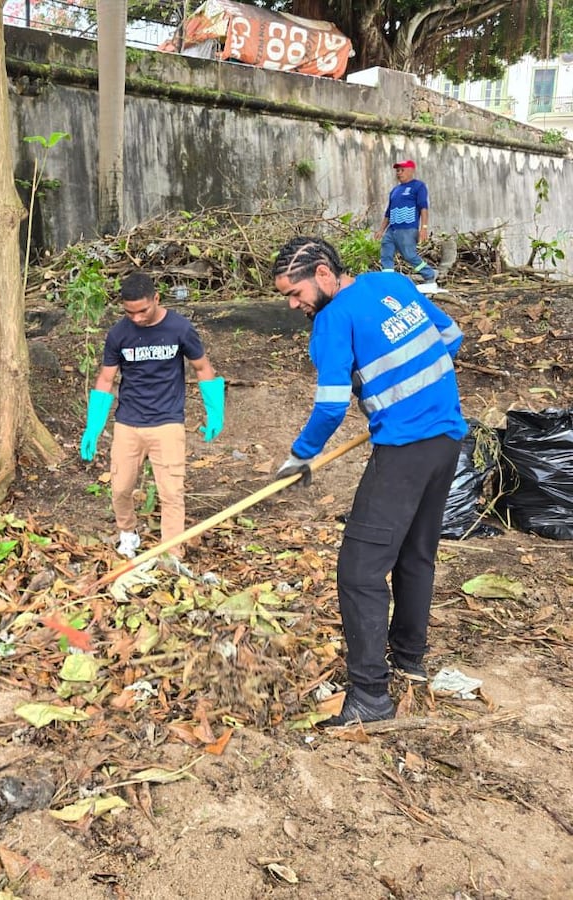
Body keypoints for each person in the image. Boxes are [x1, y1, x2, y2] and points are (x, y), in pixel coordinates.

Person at [270, 236, 466, 726]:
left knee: (359, 571)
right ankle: (409, 660)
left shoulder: (333, 320)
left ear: (322, 273)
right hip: (446, 441)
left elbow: (331, 405)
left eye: (294, 293)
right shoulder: (391, 284)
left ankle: (371, 697)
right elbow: (452, 337)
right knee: (415, 554)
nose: (293, 305)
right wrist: (409, 386)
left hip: (404, 451)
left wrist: (300, 456)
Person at [79, 272, 225, 561]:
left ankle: (171, 553)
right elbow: (106, 379)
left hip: (168, 423)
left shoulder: (180, 328)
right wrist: (93, 427)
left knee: (171, 493)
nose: (136, 318)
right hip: (128, 423)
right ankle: (127, 534)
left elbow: (202, 367)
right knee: (120, 488)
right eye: (129, 312)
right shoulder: (118, 334)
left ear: (156, 299)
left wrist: (215, 411)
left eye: (142, 311)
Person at [374, 159, 440, 294]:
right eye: (397, 171)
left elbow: (423, 207)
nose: (399, 173)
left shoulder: (418, 186)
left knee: (409, 255)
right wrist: (381, 230)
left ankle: (429, 274)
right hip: (392, 229)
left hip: (408, 228)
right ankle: (389, 281)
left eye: (402, 170)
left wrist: (424, 227)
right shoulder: (395, 190)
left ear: (411, 171)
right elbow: (388, 212)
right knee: (386, 254)